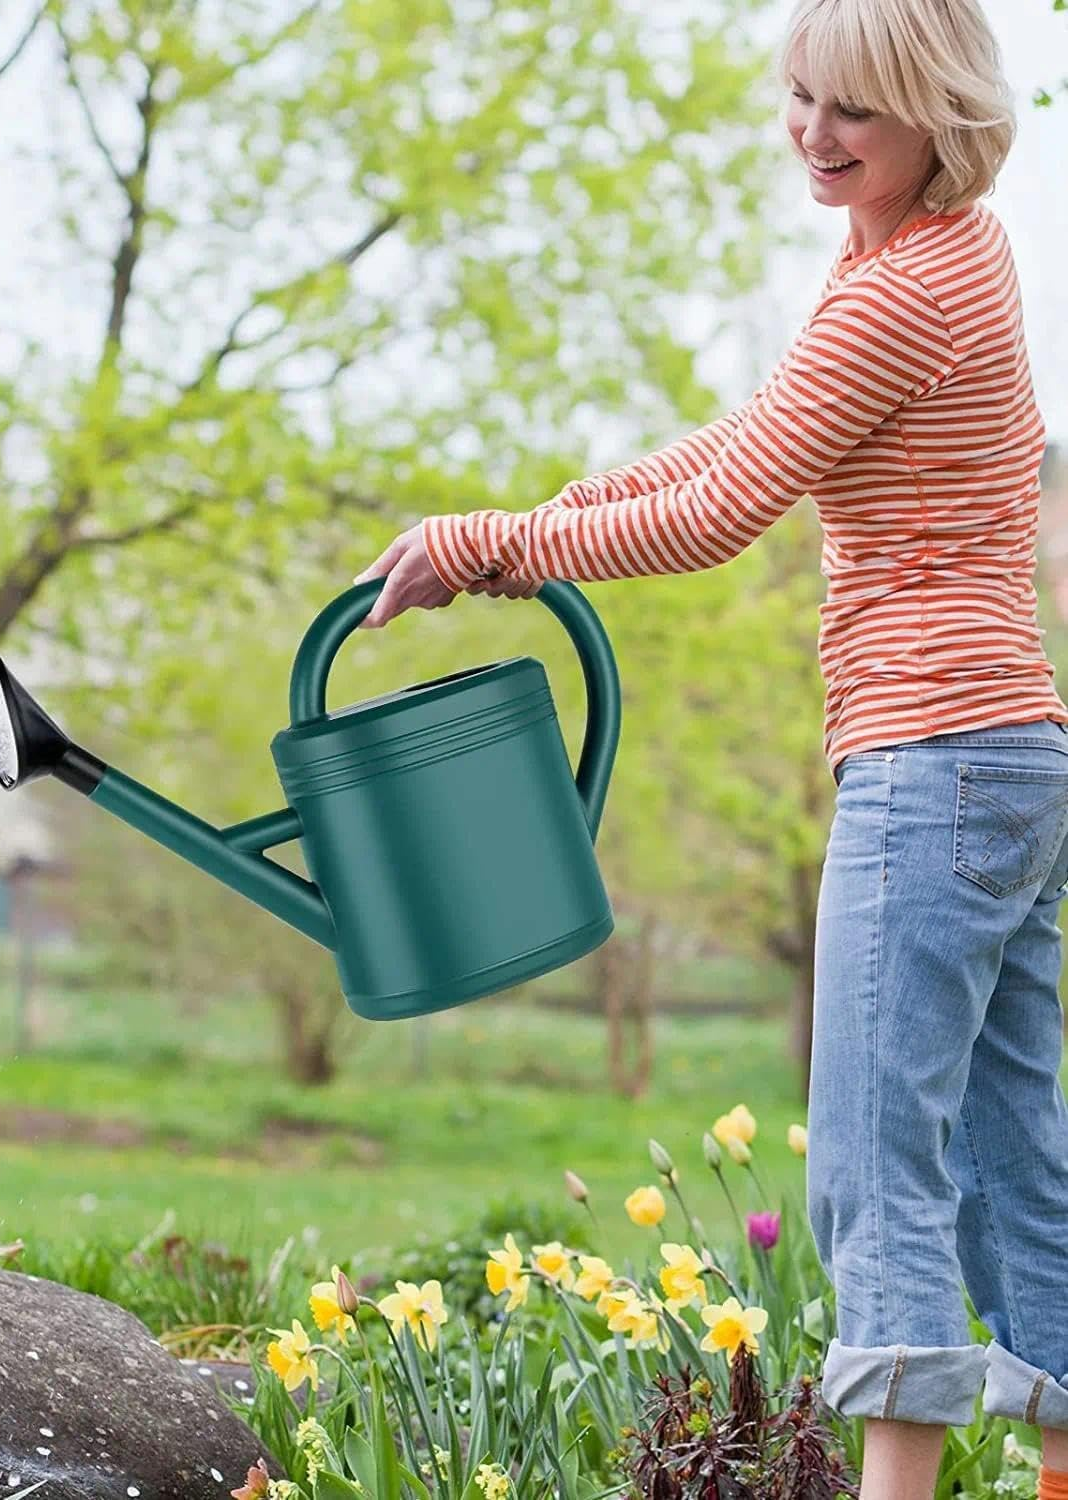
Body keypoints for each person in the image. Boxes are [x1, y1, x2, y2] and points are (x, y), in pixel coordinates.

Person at [352, 1, 1068, 1496]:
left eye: (851, 111)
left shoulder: (897, 294)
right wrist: (546, 513)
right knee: (1010, 1156)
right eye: (801, 97)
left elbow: (721, 510)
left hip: (932, 761)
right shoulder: (943, 250)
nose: (814, 133)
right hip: (1010, 756)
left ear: (935, 108)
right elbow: (750, 440)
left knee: (877, 1161)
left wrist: (493, 545)